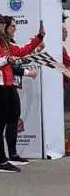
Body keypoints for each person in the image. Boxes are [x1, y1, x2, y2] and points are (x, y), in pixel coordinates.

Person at [0, 16, 44, 173]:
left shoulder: (7, 43)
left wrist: (38, 39)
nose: (13, 29)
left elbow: (21, 52)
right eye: (10, 26)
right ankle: (2, 159)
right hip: (1, 87)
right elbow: (7, 61)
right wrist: (6, 60)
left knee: (13, 119)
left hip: (9, 85)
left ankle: (11, 154)